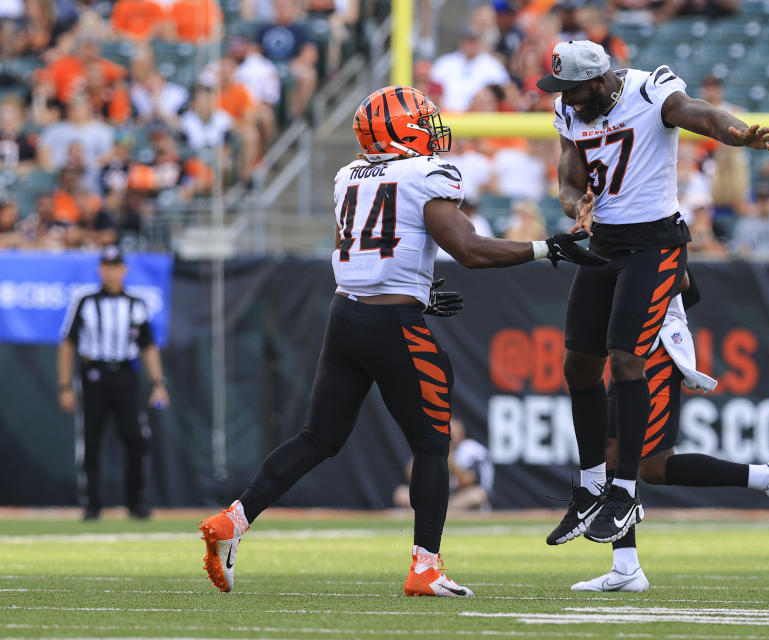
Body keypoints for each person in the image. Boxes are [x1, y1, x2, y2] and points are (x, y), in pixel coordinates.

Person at [197, 85, 607, 597]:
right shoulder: (422, 174)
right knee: (433, 445)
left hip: (345, 315)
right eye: (423, 120)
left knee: (318, 437)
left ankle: (236, 517)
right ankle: (426, 566)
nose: (433, 130)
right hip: (394, 326)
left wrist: (418, 290)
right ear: (401, 129)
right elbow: (469, 249)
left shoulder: (349, 175)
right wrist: (550, 248)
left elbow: (370, 250)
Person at [535, 40, 769, 547]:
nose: (568, 99)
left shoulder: (648, 90)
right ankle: (592, 489)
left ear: (599, 79)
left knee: (625, 357)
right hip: (605, 242)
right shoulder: (569, 107)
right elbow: (569, 171)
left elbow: (696, 113)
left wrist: (734, 134)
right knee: (577, 365)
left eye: (574, 89)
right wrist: (574, 205)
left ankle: (625, 492)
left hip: (656, 244)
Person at [571, 272, 769, 592]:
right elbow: (689, 290)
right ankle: (626, 568)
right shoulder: (615, 224)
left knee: (644, 461)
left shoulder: (641, 222)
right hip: (634, 345)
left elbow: (680, 279)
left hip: (653, 345)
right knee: (632, 457)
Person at [57, 246, 169, 520]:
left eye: (115, 266)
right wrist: (65, 385)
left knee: (136, 438)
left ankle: (136, 502)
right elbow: (68, 344)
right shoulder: (85, 301)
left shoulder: (135, 304)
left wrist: (158, 382)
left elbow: (148, 346)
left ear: (124, 270)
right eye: (106, 266)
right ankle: (92, 505)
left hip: (125, 375)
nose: (110, 271)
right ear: (100, 269)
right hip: (94, 374)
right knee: (91, 440)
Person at [393, 418, 494, 511]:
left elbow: (468, 481)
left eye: (452, 433)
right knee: (401, 493)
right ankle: (436, 512)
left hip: (461, 497)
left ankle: (439, 512)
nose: (449, 436)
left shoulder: (471, 450)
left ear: (461, 433)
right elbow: (410, 475)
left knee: (476, 495)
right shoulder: (434, 447)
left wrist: (450, 461)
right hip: (439, 497)